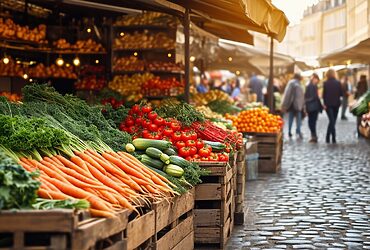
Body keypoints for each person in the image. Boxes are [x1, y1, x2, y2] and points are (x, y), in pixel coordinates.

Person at [282, 73, 305, 139]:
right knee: (298, 118)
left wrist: (284, 104)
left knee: (291, 118)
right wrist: (302, 105)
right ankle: (298, 131)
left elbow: (287, 94)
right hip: (298, 104)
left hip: (292, 104)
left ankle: (290, 131)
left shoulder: (291, 83)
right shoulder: (299, 84)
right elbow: (301, 96)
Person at [323, 69, 342, 144]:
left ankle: (328, 137)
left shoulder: (325, 83)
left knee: (332, 121)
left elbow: (324, 95)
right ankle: (332, 138)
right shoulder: (338, 83)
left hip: (328, 105)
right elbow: (341, 94)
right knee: (333, 121)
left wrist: (324, 104)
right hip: (336, 104)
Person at [304, 73, 323, 143]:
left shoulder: (310, 85)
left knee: (311, 122)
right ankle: (314, 136)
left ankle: (314, 136)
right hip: (313, 107)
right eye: (317, 80)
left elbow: (308, 96)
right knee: (312, 122)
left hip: (312, 106)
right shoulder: (312, 86)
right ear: (314, 79)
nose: (317, 81)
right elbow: (315, 97)